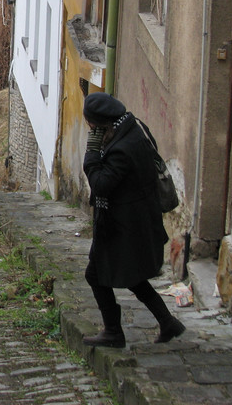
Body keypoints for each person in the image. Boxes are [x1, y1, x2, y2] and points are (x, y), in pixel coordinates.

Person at [81, 92, 185, 348]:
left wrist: (92, 155)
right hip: (131, 221)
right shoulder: (132, 128)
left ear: (101, 124)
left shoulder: (122, 149)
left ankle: (113, 332)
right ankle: (167, 322)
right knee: (132, 276)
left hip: (123, 225)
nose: (90, 131)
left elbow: (101, 184)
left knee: (96, 274)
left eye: (91, 126)